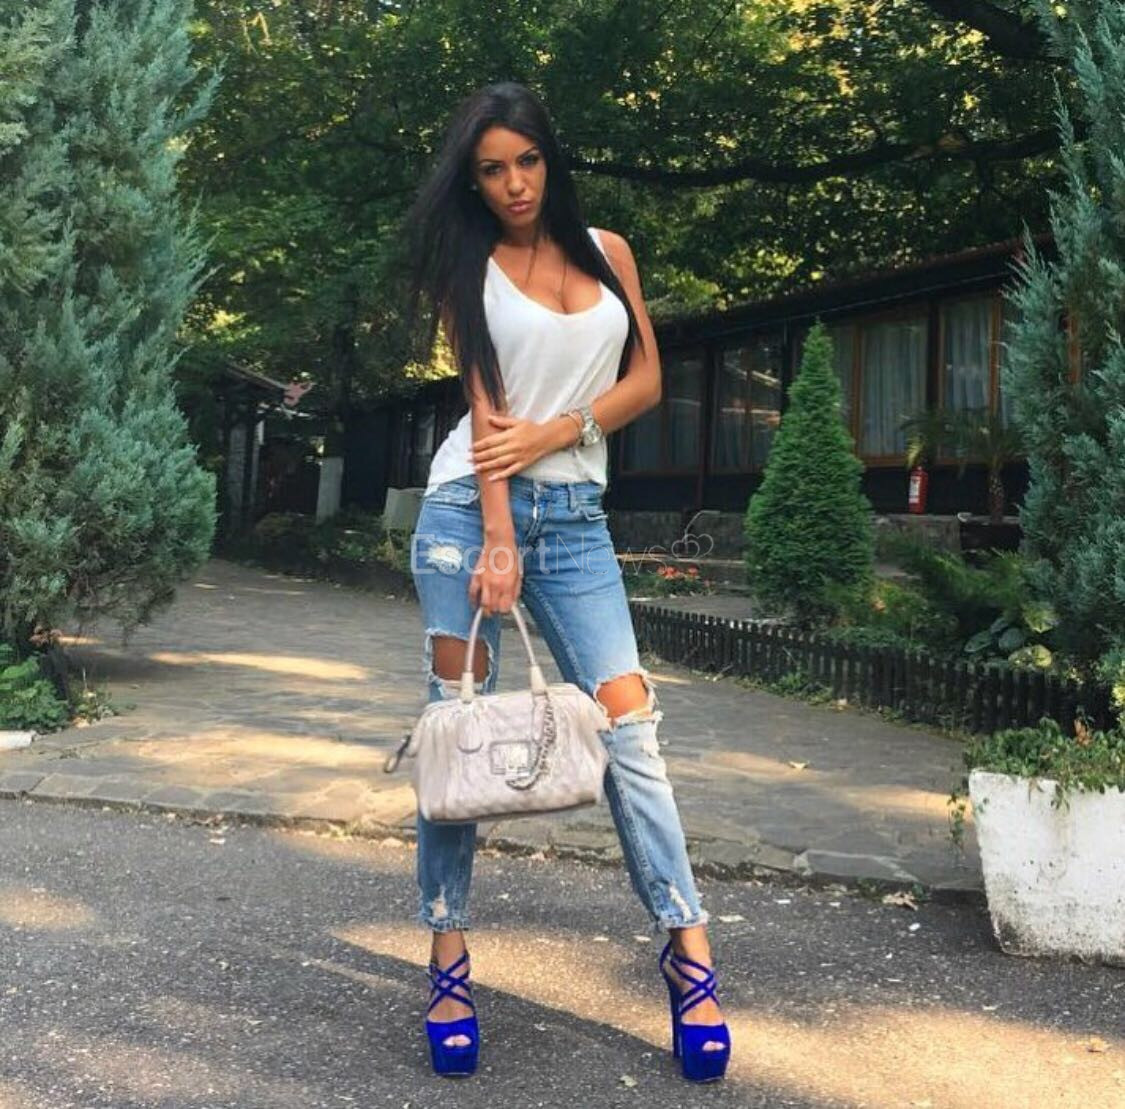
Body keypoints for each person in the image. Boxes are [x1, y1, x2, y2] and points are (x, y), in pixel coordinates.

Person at [401, 80, 731, 1083]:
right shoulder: (469, 268)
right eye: (492, 169)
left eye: (527, 161)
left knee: (630, 726)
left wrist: (563, 430)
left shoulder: (608, 253)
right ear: (473, 180)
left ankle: (688, 950)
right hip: (469, 517)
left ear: (551, 158)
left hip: (577, 520)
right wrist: (500, 538)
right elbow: (487, 413)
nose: (513, 184)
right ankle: (448, 958)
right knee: (455, 724)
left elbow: (645, 381)